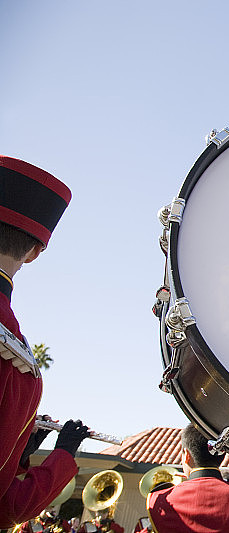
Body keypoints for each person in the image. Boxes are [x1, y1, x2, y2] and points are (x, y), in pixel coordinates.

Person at [0, 155, 91, 529]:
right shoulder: (17, 362)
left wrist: (20, 450)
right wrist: (62, 457)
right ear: (36, 251)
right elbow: (8, 509)